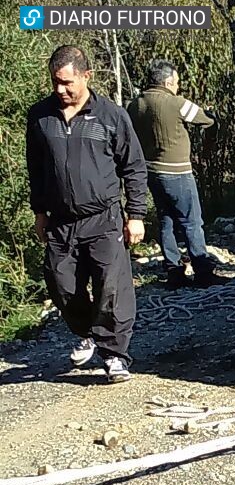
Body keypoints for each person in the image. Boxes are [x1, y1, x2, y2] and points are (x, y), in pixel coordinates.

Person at [26, 45, 147, 383]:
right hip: (61, 221)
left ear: (86, 76)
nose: (61, 90)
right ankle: (89, 331)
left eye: (67, 82)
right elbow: (35, 168)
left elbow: (134, 167)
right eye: (55, 83)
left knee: (112, 287)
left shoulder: (111, 116)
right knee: (60, 283)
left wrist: (136, 213)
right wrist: (39, 211)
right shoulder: (40, 117)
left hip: (103, 217)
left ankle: (114, 356)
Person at [127, 59, 227, 289]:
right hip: (177, 171)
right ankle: (203, 272)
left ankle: (174, 272)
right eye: (177, 82)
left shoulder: (135, 105)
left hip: (150, 171)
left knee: (166, 221)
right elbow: (205, 119)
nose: (178, 86)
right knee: (192, 222)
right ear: (169, 82)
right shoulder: (175, 103)